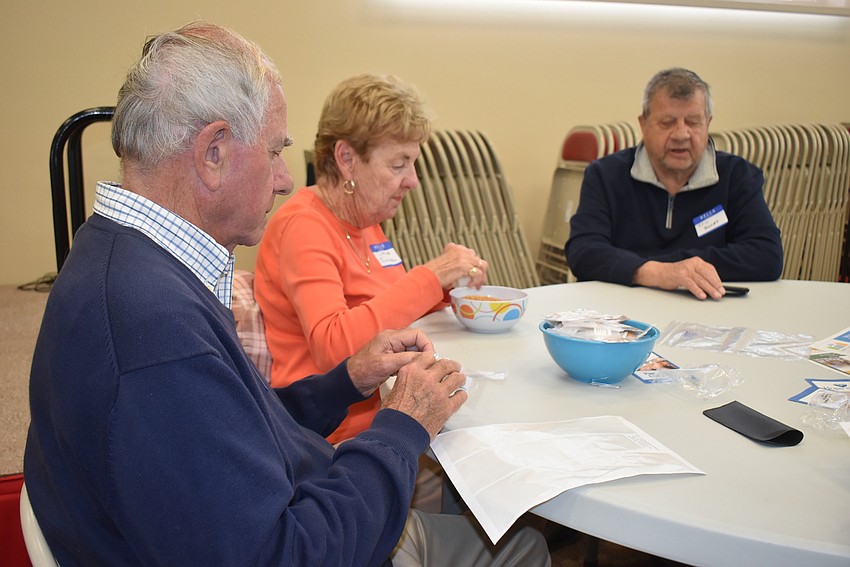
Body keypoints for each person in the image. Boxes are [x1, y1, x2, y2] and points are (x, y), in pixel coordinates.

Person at [23, 22, 549, 566]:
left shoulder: (119, 260)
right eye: (275, 152)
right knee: (522, 549)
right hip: (313, 530)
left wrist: (343, 381)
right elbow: (285, 554)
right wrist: (400, 429)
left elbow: (238, 424)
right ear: (213, 153)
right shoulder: (156, 333)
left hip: (288, 498)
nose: (282, 178)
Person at [255, 74, 489, 443]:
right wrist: (431, 274)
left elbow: (387, 310)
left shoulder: (365, 221)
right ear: (347, 158)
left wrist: (449, 286)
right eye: (399, 165)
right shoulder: (303, 226)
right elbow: (334, 347)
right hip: (334, 433)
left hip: (387, 409)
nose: (412, 181)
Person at [565, 67, 783, 300]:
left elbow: (767, 255)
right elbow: (583, 251)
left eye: (693, 122)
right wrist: (657, 272)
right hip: (622, 313)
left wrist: (681, 270)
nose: (681, 134)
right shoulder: (605, 175)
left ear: (708, 123)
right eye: (667, 122)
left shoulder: (736, 176)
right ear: (644, 124)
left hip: (710, 312)